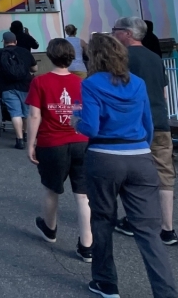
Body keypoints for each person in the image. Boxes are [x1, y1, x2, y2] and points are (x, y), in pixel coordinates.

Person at [77, 33, 177, 298]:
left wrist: (76, 121)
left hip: (105, 156)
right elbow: (148, 125)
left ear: (93, 57)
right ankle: (165, 291)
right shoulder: (138, 83)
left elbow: (91, 127)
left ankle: (105, 282)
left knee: (102, 220)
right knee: (148, 231)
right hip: (139, 156)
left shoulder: (91, 84)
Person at [25, 38, 93, 261]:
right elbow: (83, 111)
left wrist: (30, 143)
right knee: (82, 196)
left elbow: (35, 115)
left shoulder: (40, 82)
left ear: (50, 56)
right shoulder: (81, 82)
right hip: (80, 139)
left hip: (52, 142)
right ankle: (87, 245)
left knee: (52, 189)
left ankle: (50, 228)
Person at [112, 17, 177, 245]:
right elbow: (163, 94)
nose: (113, 34)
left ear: (128, 34)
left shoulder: (121, 59)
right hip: (160, 122)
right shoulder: (156, 58)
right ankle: (167, 229)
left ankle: (133, 220)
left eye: (115, 30)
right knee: (164, 175)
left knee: (134, 174)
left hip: (134, 125)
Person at [0, 30, 37, 150]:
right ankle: (26, 134)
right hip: (26, 86)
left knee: (15, 113)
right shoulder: (25, 52)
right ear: (15, 41)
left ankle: (19, 140)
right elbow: (35, 68)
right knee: (26, 112)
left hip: (7, 87)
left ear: (4, 42)